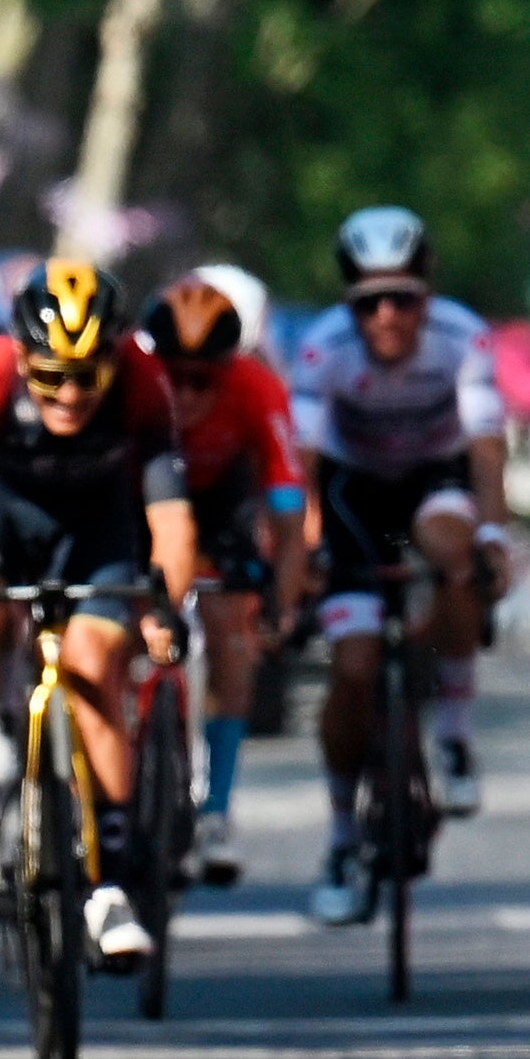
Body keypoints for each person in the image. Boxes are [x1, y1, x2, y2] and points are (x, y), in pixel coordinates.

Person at [0, 260, 199, 969]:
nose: (70, 394)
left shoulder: (142, 380)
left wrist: (164, 609)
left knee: (95, 663)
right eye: (50, 377)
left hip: (96, 524)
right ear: (20, 357)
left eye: (88, 375)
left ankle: (112, 880)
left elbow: (172, 521)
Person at [291, 208, 508, 925]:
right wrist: (306, 551)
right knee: (352, 668)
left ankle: (453, 736)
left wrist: (496, 538)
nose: (387, 316)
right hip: (356, 495)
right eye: (370, 304)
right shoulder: (323, 350)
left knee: (454, 551)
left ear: (427, 294)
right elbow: (307, 465)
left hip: (434, 479)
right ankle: (341, 839)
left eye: (403, 299)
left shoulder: (461, 338)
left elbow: (485, 451)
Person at [141, 272, 306, 885]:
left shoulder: (259, 390)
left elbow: (289, 520)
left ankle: (217, 811)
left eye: (201, 381)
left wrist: (278, 603)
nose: (183, 397)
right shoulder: (134, 384)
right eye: (172, 378)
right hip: (145, 506)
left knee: (230, 635)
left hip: (223, 508)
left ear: (228, 368)